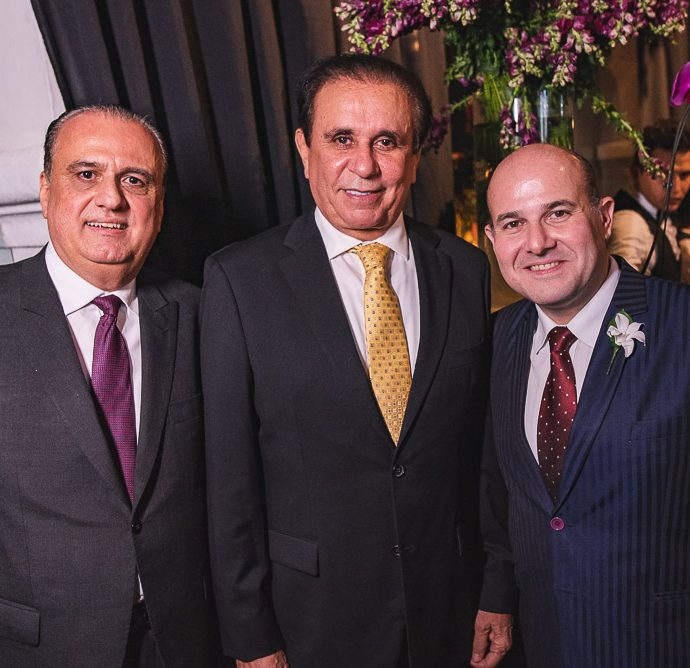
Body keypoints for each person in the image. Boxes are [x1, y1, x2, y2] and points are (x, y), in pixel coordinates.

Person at [201, 54, 492, 668]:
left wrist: (497, 589)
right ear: (304, 149)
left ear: (415, 156)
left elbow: (483, 457)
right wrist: (251, 637)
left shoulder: (465, 270)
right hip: (310, 623)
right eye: (341, 139)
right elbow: (229, 481)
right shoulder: (239, 280)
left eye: (387, 141)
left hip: (449, 613)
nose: (365, 165)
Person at [0, 105, 217, 666]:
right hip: (36, 648)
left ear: (158, 207)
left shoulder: (202, 314)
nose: (111, 199)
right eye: (86, 174)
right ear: (46, 191)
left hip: (181, 643)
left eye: (134, 180)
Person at [473, 143, 690, 667]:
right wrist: (498, 598)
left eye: (558, 213)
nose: (537, 242)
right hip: (544, 641)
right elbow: (500, 489)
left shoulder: (681, 325)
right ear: (492, 241)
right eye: (513, 223)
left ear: (605, 216)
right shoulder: (496, 339)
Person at [608, 119, 690, 281]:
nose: (676, 187)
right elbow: (623, 290)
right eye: (662, 173)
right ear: (636, 172)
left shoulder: (661, 209)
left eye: (684, 175)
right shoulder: (630, 223)